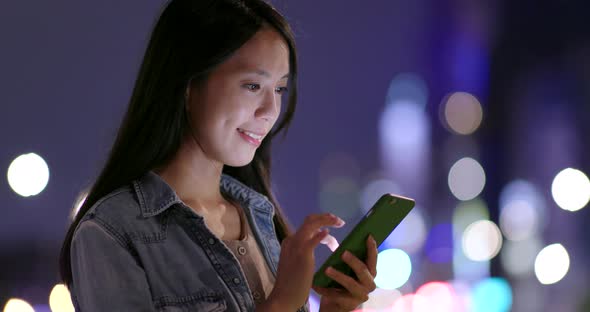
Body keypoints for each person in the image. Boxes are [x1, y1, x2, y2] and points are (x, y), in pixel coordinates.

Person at [59, 0, 378, 311]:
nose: (270, 111)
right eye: (253, 86)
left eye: (279, 89)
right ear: (187, 86)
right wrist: (281, 303)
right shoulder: (113, 232)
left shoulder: (260, 219)